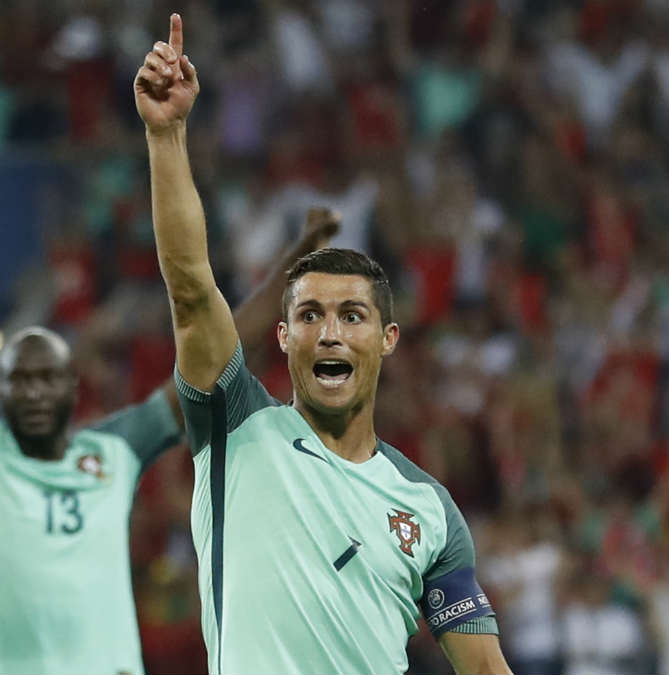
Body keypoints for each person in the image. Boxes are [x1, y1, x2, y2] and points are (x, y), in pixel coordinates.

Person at [0, 188, 337, 673]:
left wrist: (295, 260)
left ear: (72, 391)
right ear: (3, 397)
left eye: (48, 379)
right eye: (21, 382)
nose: (35, 392)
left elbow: (218, 357)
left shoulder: (113, 447)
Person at [134, 14, 511, 674]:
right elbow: (194, 292)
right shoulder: (233, 426)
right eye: (309, 314)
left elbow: (484, 667)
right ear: (281, 337)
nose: (331, 330)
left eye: (352, 315)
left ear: (388, 339)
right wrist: (167, 136)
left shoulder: (429, 507)